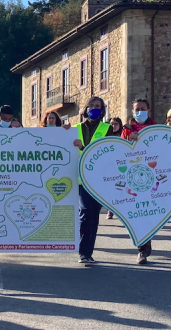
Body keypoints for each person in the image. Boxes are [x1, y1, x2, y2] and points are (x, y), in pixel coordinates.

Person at [72, 97, 113, 264]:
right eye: (92, 106)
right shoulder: (75, 128)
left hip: (98, 180)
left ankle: (87, 253)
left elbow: (107, 151)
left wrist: (82, 147)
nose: (95, 109)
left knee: (94, 216)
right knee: (86, 212)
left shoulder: (107, 129)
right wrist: (65, 129)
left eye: (98, 107)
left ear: (102, 110)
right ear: (86, 108)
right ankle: (82, 249)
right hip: (81, 179)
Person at [120, 99, 156, 265]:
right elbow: (119, 151)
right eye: (137, 109)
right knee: (137, 215)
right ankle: (141, 249)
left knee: (150, 213)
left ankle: (146, 243)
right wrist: (129, 141)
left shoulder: (157, 128)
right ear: (132, 112)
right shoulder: (126, 130)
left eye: (142, 109)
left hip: (154, 177)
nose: (139, 111)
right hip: (132, 178)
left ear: (148, 110)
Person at [105, 117, 124, 220]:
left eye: (116, 124)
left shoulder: (123, 134)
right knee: (111, 189)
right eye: (111, 124)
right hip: (109, 165)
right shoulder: (107, 135)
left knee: (120, 189)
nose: (113, 126)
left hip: (121, 165)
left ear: (120, 125)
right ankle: (110, 210)